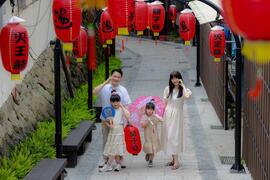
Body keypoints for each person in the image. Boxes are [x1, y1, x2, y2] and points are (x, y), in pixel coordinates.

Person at [93, 69, 131, 168]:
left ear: (121, 78)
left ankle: (121, 158)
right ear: (111, 76)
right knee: (106, 139)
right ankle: (105, 158)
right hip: (106, 119)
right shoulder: (105, 88)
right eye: (114, 76)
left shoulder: (123, 90)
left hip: (119, 120)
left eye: (118, 77)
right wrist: (106, 81)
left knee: (119, 140)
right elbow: (94, 92)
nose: (116, 79)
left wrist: (128, 120)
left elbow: (127, 105)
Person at [161, 71, 192, 170]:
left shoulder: (184, 90)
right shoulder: (167, 89)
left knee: (174, 137)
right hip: (168, 114)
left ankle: (176, 161)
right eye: (172, 78)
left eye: (176, 78)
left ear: (180, 79)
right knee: (168, 136)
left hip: (177, 115)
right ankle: (173, 159)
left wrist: (182, 84)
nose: (174, 80)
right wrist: (162, 114)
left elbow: (187, 96)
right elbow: (165, 102)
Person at [99, 93, 130, 172]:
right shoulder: (109, 109)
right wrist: (109, 126)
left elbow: (128, 116)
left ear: (119, 101)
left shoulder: (121, 109)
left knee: (115, 147)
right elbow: (104, 121)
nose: (115, 103)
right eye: (113, 101)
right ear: (110, 102)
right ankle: (118, 164)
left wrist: (122, 106)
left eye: (117, 101)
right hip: (112, 130)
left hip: (119, 130)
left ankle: (108, 165)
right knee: (114, 147)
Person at [140, 102, 163, 167]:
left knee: (153, 149)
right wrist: (147, 120)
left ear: (153, 110)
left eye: (151, 109)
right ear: (146, 109)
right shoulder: (144, 117)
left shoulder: (155, 116)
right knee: (149, 147)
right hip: (148, 136)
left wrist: (156, 116)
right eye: (148, 109)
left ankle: (151, 160)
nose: (149, 111)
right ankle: (148, 153)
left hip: (154, 135)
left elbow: (162, 120)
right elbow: (142, 125)